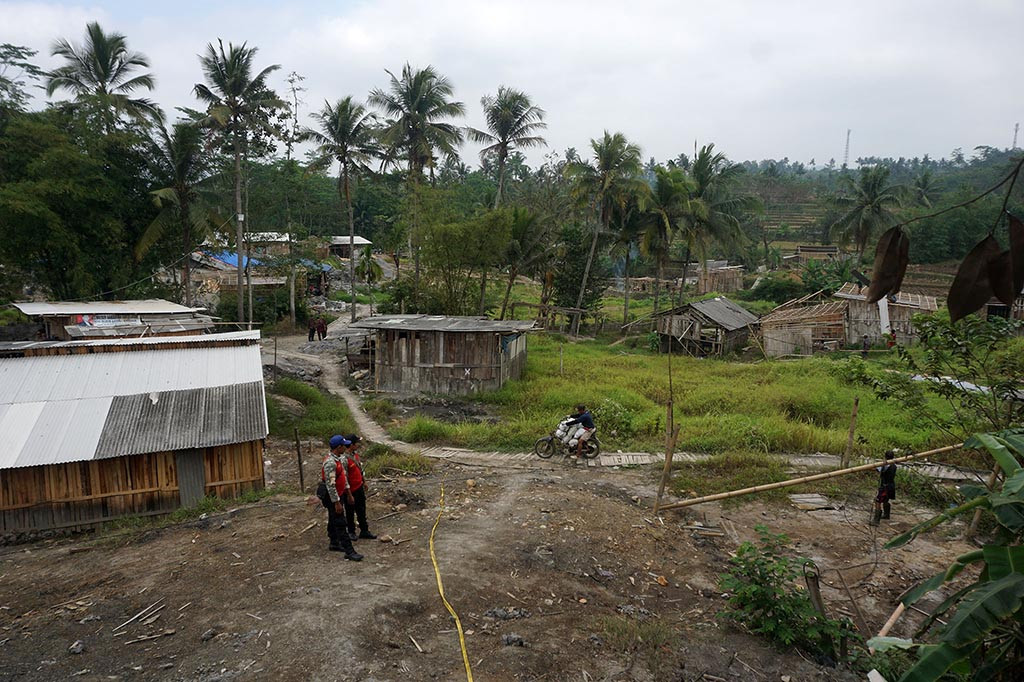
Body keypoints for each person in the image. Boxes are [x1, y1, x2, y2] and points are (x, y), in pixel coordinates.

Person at [316, 435, 363, 560]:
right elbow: (330, 485)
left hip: (339, 494)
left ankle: (334, 543)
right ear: (338, 447)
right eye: (344, 445)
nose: (346, 447)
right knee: (340, 522)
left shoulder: (339, 459)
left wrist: (347, 493)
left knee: (333, 519)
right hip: (333, 497)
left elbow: (343, 478)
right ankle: (349, 550)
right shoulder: (330, 463)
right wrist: (336, 502)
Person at [342, 434, 376, 542]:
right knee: (350, 511)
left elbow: (360, 470)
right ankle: (351, 531)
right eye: (357, 443)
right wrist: (349, 494)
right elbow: (345, 478)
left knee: (361, 510)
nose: (358, 445)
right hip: (350, 491)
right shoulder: (344, 459)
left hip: (359, 487)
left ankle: (364, 530)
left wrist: (364, 482)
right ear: (351, 445)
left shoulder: (355, 455)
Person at [870, 450, 898, 526]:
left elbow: (875, 469)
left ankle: (876, 521)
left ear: (885, 457)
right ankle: (886, 515)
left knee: (878, 501)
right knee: (886, 500)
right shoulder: (894, 465)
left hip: (885, 486)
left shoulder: (885, 465)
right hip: (891, 486)